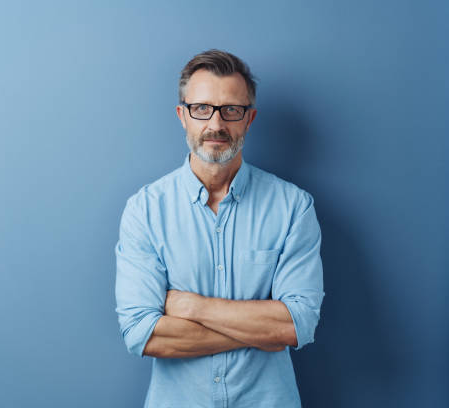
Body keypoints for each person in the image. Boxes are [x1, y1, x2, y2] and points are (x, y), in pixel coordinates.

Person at [114, 49, 325, 408]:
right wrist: (261, 329)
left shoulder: (293, 207)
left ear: (249, 119)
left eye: (231, 110)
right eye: (202, 109)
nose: (216, 124)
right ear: (183, 115)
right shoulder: (145, 211)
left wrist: (190, 307)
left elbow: (296, 325)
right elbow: (142, 335)